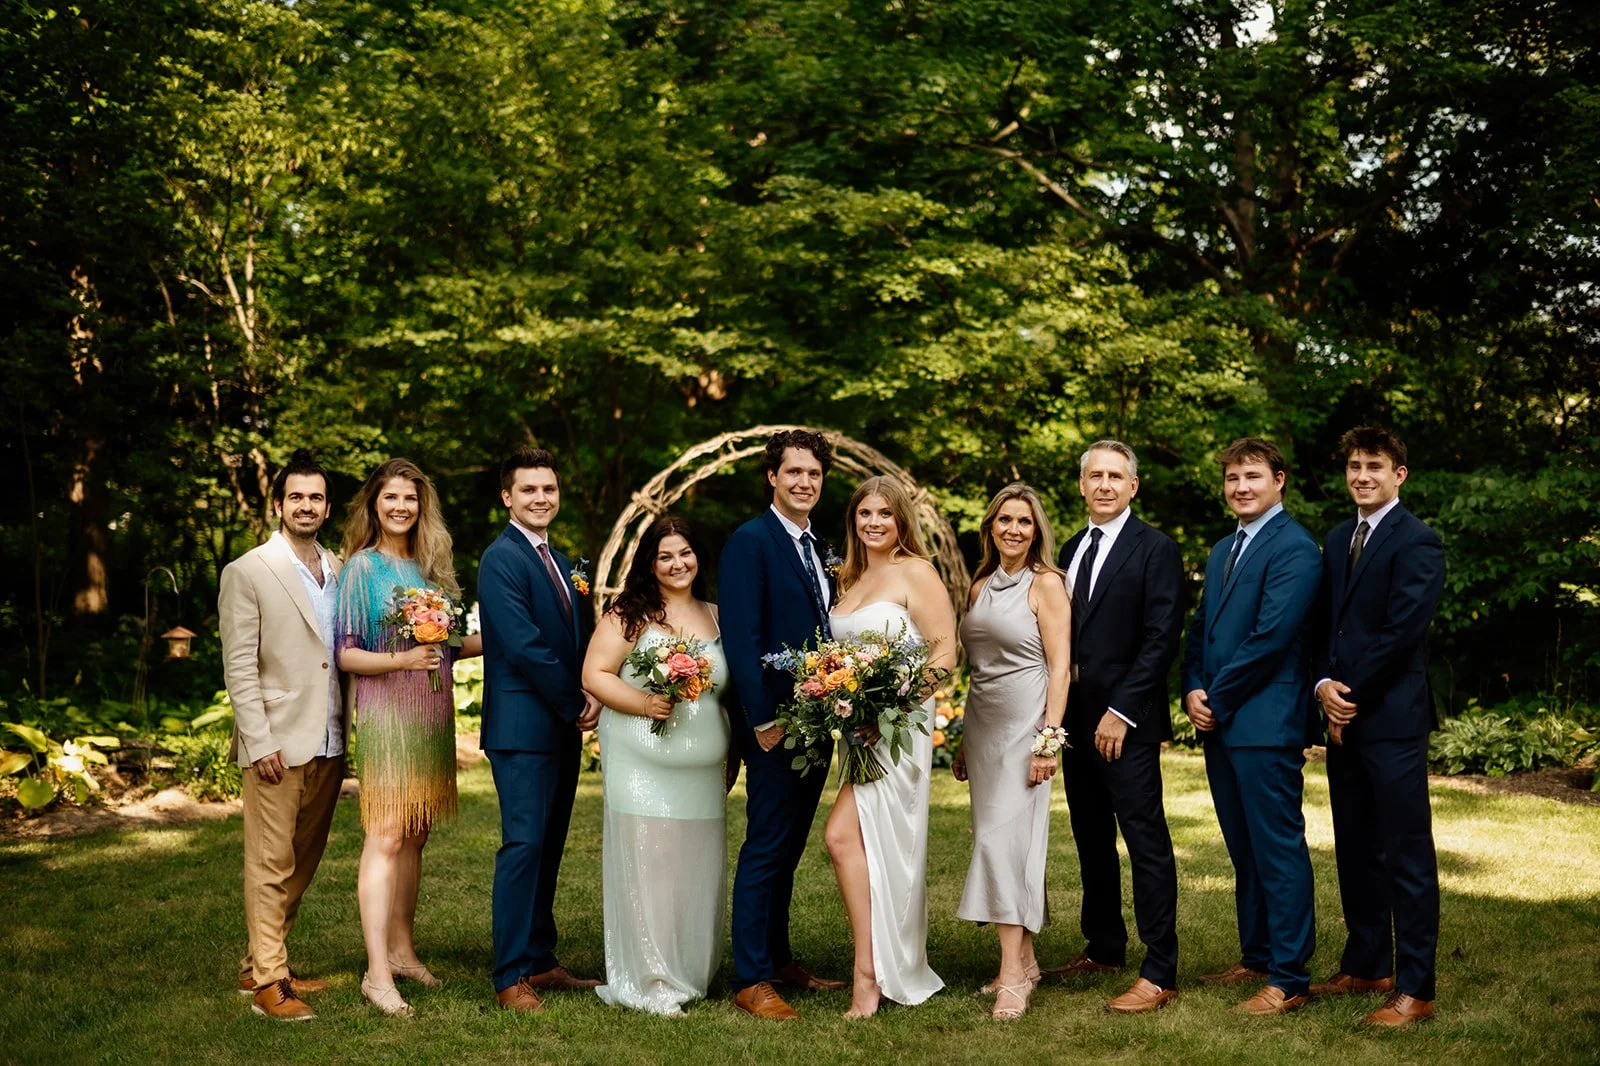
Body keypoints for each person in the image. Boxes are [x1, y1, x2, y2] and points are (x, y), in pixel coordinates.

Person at [1181, 437, 1323, 1016]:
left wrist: (1217, 695)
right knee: (1244, 847)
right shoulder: (1222, 550)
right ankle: (1258, 953)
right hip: (1221, 720)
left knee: (1277, 848)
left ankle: (1289, 977)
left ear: (1279, 480)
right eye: (1233, 478)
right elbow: (1202, 631)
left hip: (1265, 721)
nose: (1241, 487)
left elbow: (1272, 637)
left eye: (1253, 476)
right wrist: (1191, 685)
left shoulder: (1296, 549)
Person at [336, 458, 482, 1017]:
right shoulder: (361, 570)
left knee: (416, 834)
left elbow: (441, 648)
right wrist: (401, 657)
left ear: (423, 507)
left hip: (430, 716)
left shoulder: (429, 570)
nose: (401, 507)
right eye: (391, 497)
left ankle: (401, 951)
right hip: (387, 718)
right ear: (373, 503)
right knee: (387, 834)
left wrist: (496, 637)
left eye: (411, 499)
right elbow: (346, 652)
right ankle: (376, 973)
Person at [1311, 427, 1445, 1028]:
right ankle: (1367, 964)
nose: (1362, 475)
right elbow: (1325, 628)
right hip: (1344, 721)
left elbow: (1401, 633)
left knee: (1405, 854)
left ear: (1400, 475)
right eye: (1355, 466)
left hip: (1390, 721)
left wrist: (1351, 697)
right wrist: (1323, 687)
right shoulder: (1339, 538)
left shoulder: (1418, 541)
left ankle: (1416, 987)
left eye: (1375, 466)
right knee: (1357, 849)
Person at [1045, 442, 1185, 1013]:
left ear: (1134, 486)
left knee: (1145, 840)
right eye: (1095, 475)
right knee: (1091, 838)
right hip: (1074, 722)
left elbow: (1160, 638)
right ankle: (1103, 946)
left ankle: (1160, 967)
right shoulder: (1071, 548)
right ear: (1081, 485)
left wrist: (1122, 711)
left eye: (1115, 476)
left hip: (1125, 722)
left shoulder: (1156, 549)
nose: (1104, 484)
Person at [581, 515, 738, 1016]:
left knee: (696, 868)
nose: (678, 563)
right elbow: (596, 672)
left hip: (701, 769)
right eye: (665, 555)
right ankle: (650, 979)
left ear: (699, 557)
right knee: (653, 865)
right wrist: (643, 703)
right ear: (651, 563)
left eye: (685, 552)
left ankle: (690, 971)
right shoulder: (630, 614)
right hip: (641, 762)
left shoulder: (717, 615)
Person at [718, 429, 848, 1021]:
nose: (804, 482)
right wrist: (761, 719)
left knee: (791, 844)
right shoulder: (751, 541)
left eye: (814, 474)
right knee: (767, 844)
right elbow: (741, 638)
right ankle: (752, 977)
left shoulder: (818, 545)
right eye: (793, 472)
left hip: (817, 717)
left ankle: (779, 957)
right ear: (772, 477)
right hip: (772, 722)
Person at [219, 451, 346, 1022]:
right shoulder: (247, 571)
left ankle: (257, 963)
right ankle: (271, 981)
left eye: (316, 497)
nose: (306, 506)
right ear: (279, 504)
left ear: (327, 505)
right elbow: (240, 665)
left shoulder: (341, 568)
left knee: (302, 861)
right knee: (270, 862)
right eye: (296, 496)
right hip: (275, 740)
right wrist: (258, 738)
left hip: (330, 737)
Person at [824, 476, 957, 1018]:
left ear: (901, 518)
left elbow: (945, 653)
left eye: (884, 513)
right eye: (864, 513)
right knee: (861, 844)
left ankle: (868, 975)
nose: (874, 522)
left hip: (898, 730)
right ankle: (876, 964)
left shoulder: (915, 572)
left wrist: (891, 711)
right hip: (858, 731)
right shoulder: (850, 577)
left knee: (845, 836)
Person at [478, 447, 602, 1013]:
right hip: (524, 725)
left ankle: (540, 958)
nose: (541, 498)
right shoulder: (499, 559)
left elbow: (583, 636)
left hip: (561, 725)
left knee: (550, 844)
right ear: (508, 497)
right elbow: (523, 645)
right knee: (524, 845)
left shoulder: (567, 559)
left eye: (548, 489)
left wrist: (598, 687)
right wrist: (575, 697)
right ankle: (510, 976)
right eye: (529, 490)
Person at [954, 483, 1071, 1021]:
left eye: (1024, 521)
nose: (1013, 530)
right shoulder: (980, 584)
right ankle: (1024, 962)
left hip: (1027, 727)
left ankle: (1009, 979)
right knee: (998, 841)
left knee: (1005, 846)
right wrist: (961, 735)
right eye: (1004, 520)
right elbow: (977, 668)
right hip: (982, 727)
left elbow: (1060, 667)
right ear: (990, 527)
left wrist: (1049, 739)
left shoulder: (1046, 585)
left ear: (1037, 530)